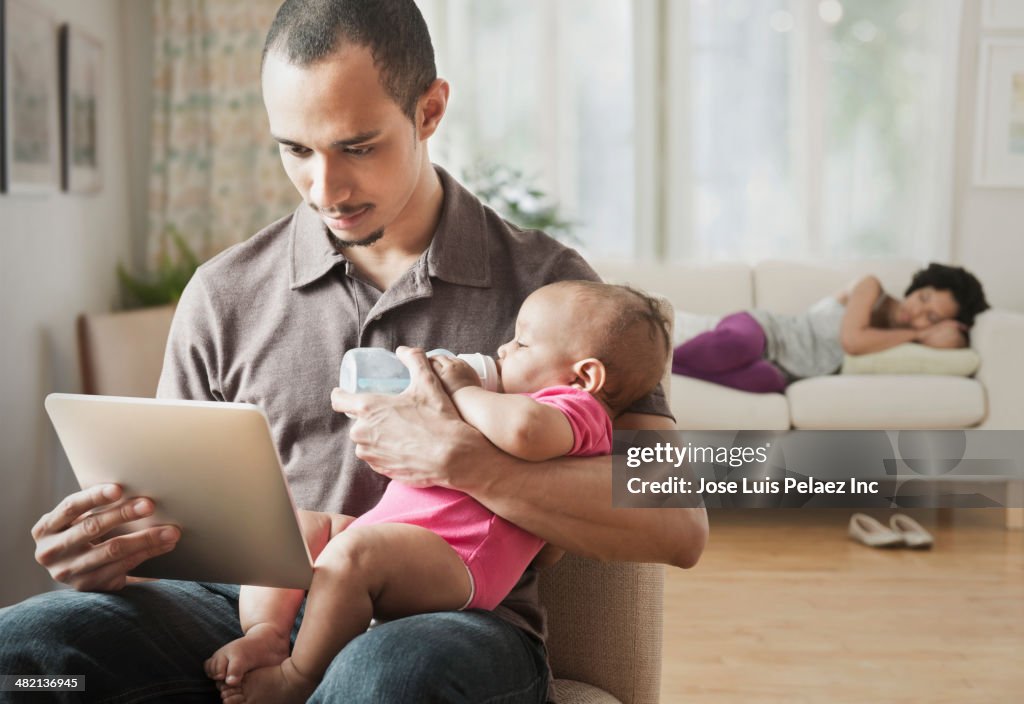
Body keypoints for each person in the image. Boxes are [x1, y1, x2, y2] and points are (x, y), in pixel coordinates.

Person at [0, 1, 707, 702]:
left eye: (358, 147)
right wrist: (109, 556)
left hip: (449, 621)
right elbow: (170, 537)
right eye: (296, 150)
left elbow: (678, 523)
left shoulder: (554, 295)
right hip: (244, 611)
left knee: (383, 679)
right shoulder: (223, 292)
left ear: (429, 111)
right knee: (25, 656)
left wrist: (467, 462)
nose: (325, 190)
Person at [204, 281, 671, 703]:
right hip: (397, 539)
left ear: (585, 377)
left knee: (354, 558)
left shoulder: (577, 412)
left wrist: (458, 390)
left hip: (457, 558)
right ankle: (267, 631)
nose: (504, 349)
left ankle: (299, 677)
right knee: (299, 528)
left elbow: (526, 432)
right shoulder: (509, 404)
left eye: (523, 342)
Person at [673, 263, 990, 393]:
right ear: (920, 285)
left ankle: (667, 371)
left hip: (780, 370)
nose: (917, 313)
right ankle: (663, 358)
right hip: (765, 330)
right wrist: (920, 332)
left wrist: (936, 332)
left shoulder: (900, 341)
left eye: (931, 317)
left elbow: (952, 343)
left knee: (766, 382)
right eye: (924, 298)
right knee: (739, 346)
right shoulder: (871, 288)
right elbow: (852, 341)